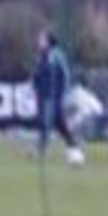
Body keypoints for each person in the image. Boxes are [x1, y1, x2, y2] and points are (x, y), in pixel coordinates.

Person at [32, 29, 85, 165]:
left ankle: (40, 149)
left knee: (47, 121)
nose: (39, 41)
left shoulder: (56, 55)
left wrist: (64, 92)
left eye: (42, 39)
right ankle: (73, 144)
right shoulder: (41, 55)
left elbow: (65, 74)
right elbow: (38, 74)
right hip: (43, 94)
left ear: (49, 41)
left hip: (54, 94)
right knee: (58, 123)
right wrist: (35, 85)